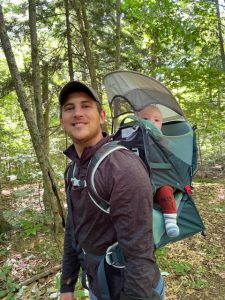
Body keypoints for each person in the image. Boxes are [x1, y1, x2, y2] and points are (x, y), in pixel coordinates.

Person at [59, 81, 165, 300]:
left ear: (102, 117)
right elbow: (74, 227)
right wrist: (67, 285)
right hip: (98, 285)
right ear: (62, 121)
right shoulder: (73, 169)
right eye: (69, 108)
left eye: (86, 106)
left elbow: (139, 250)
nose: (77, 113)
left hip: (133, 290)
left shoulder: (122, 167)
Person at [137, 105, 180, 238]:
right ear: (137, 121)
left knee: (165, 191)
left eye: (156, 120)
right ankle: (138, 223)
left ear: (161, 124)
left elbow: (175, 160)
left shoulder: (164, 141)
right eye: (145, 119)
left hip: (163, 179)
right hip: (143, 180)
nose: (150, 123)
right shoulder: (134, 140)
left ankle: (171, 221)